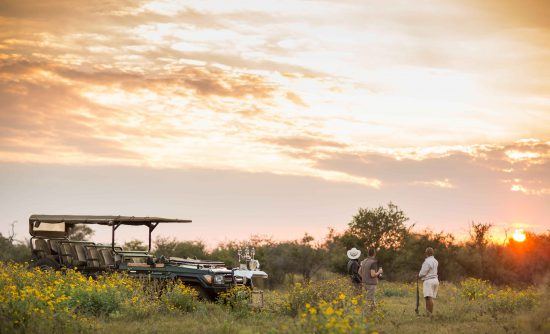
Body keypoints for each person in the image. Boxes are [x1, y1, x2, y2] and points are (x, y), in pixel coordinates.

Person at [418, 247, 439, 315]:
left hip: (429, 281)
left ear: (426, 253)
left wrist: (418, 275)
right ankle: (428, 313)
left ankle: (430, 314)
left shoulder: (427, 261)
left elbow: (423, 273)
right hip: (435, 280)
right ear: (432, 253)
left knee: (429, 298)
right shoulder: (435, 261)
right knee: (428, 297)